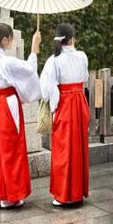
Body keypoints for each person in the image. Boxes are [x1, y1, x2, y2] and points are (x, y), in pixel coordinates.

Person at [0, 23, 42, 209]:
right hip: (7, 106)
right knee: (10, 150)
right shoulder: (8, 62)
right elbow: (31, 69)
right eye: (11, 37)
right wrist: (34, 47)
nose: (12, 41)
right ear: (5, 40)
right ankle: (10, 197)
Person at [40, 23, 90, 207]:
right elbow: (85, 78)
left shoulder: (54, 60)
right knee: (79, 148)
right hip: (79, 101)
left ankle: (63, 194)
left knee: (63, 149)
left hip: (65, 104)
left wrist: (54, 108)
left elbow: (47, 89)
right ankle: (77, 193)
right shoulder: (82, 56)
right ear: (72, 39)